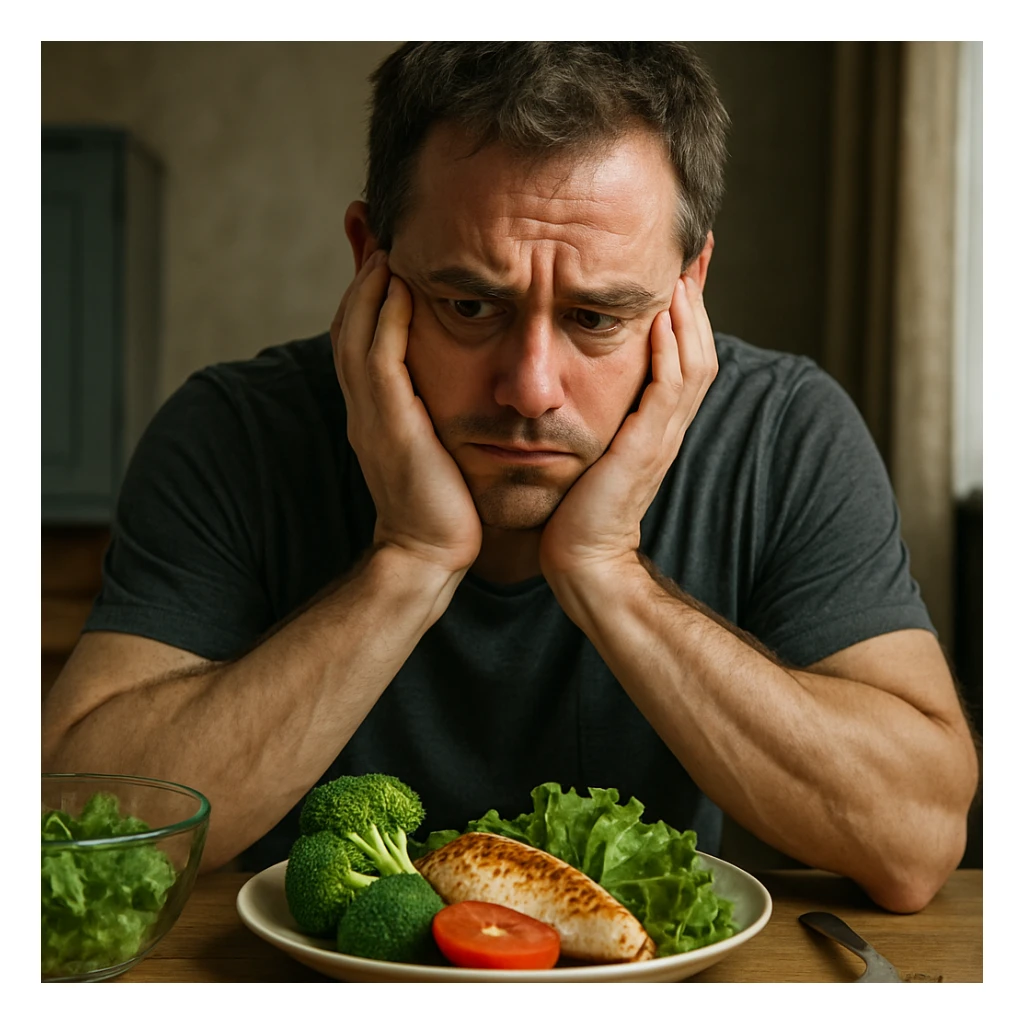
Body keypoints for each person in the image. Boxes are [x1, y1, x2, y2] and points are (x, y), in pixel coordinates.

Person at [41, 42, 977, 913]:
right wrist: (408, 560)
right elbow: (82, 829)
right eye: (468, 304)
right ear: (371, 260)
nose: (530, 388)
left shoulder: (783, 432)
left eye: (597, 318)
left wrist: (610, 572)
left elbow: (915, 841)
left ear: (689, 287)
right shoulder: (231, 431)